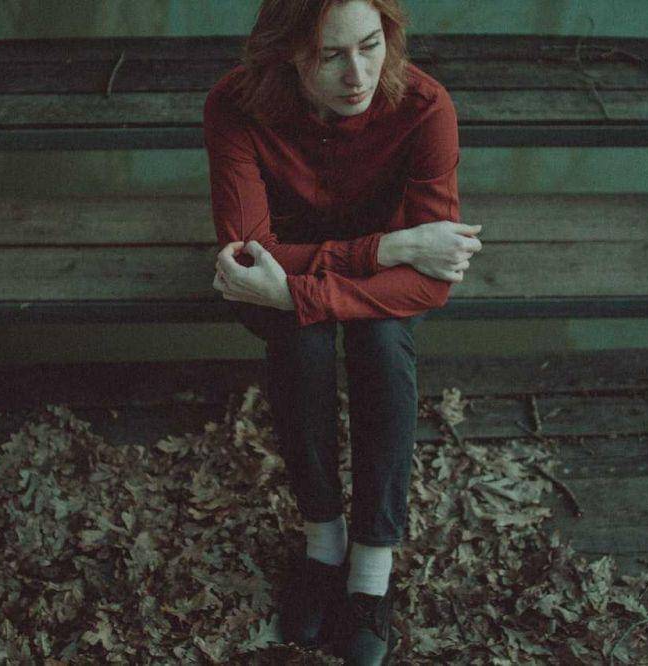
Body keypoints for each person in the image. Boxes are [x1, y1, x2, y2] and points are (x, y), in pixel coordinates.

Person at [203, 0, 481, 662]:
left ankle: (371, 569)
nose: (358, 75)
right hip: (284, 274)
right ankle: (323, 543)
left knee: (380, 341)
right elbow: (250, 259)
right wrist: (388, 248)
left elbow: (432, 282)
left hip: (318, 280)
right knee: (299, 337)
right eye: (330, 56)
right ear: (287, 54)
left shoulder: (425, 107)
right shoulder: (235, 106)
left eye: (370, 45)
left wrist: (301, 290)